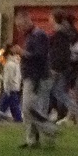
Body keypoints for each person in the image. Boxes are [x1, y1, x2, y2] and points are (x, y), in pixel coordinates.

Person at [18, 12, 57, 148]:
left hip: (37, 77)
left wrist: (22, 53)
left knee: (28, 108)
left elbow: (40, 56)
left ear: (27, 21)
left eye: (20, 25)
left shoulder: (38, 35)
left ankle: (48, 130)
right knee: (31, 109)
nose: (19, 29)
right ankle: (32, 140)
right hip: (32, 76)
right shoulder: (31, 36)